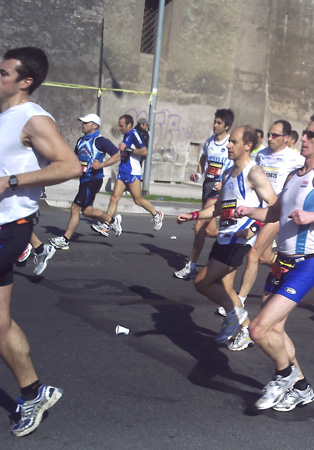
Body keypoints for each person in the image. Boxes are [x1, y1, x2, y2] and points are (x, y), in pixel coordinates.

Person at [234, 112, 314, 411]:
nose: (303, 138)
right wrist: (249, 211)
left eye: (311, 134)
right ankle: (301, 387)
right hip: (283, 262)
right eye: (303, 133)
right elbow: (275, 214)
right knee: (275, 330)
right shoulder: (294, 174)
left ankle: (284, 376)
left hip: (307, 263)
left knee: (258, 329)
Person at [0, 46, 81, 437]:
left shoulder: (33, 118)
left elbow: (70, 165)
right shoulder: (6, 117)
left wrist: (11, 182)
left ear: (24, 81)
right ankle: (34, 392)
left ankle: (33, 391)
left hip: (9, 227)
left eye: (3, 73)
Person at [177, 126, 276, 344]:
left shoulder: (254, 172)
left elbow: (275, 206)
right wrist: (193, 215)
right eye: (229, 141)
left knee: (201, 282)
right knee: (225, 288)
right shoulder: (228, 172)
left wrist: (252, 229)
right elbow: (218, 208)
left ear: (248, 146)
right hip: (224, 236)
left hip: (239, 240)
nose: (229, 146)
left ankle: (233, 316)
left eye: (234, 142)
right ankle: (246, 330)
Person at [232, 120, 305, 345]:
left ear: (286, 138)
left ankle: (240, 302)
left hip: (279, 212)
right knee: (263, 257)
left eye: (275, 135)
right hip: (261, 210)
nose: (270, 138)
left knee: (253, 254)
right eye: (269, 135)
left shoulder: (297, 159)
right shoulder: (261, 155)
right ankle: (289, 264)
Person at [174, 109, 234, 279]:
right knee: (209, 231)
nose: (215, 125)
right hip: (208, 186)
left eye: (219, 123)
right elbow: (203, 160)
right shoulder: (209, 142)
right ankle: (237, 235)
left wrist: (224, 181)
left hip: (220, 190)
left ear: (227, 126)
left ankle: (191, 267)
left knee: (199, 225)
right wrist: (199, 174)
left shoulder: (230, 144)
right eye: (214, 122)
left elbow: (237, 166)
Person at [49, 114, 120, 250]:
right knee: (87, 212)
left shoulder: (101, 141)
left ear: (95, 126)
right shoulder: (81, 141)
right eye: (83, 122)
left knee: (75, 207)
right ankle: (112, 220)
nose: (83, 124)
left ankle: (65, 240)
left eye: (86, 123)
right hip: (84, 180)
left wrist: (102, 164)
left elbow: (118, 155)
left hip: (94, 180)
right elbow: (75, 157)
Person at [91, 114, 163, 236]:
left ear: (129, 125)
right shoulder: (126, 136)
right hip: (123, 171)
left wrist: (128, 149)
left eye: (121, 125)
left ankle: (157, 214)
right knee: (114, 198)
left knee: (138, 200)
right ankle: (107, 225)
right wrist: (102, 164)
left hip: (132, 172)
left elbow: (144, 151)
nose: (119, 128)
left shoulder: (134, 134)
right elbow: (119, 155)